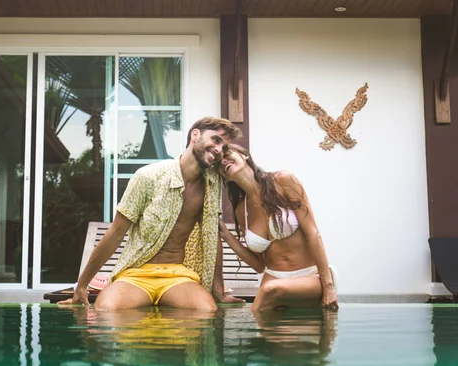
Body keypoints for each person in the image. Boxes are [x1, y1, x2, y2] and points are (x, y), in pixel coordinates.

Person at [58, 117, 243, 311]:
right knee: (106, 309)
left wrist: (219, 290)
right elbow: (116, 233)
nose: (218, 149)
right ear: (195, 135)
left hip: (177, 276)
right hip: (136, 274)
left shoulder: (211, 185)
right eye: (216, 140)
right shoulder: (148, 176)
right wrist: (82, 285)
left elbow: (212, 237)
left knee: (206, 311)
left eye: (223, 147)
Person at [216, 144, 338, 312]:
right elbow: (259, 265)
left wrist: (329, 286)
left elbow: (313, 234)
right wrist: (225, 234)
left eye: (227, 154)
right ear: (225, 177)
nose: (223, 161)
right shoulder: (241, 210)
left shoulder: (283, 181)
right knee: (272, 330)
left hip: (309, 275)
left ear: (244, 155)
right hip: (273, 277)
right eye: (218, 163)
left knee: (267, 293)